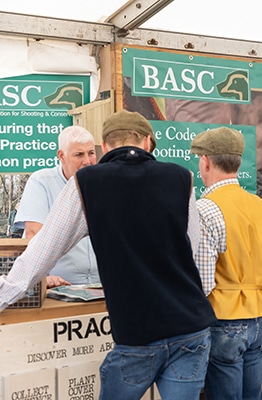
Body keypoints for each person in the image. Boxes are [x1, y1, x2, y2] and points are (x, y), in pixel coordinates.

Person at [0, 110, 217, 399]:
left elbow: (41, 252)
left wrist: (4, 295)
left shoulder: (87, 182)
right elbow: (190, 247)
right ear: (147, 141)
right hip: (191, 325)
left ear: (104, 147)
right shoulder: (181, 177)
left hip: (139, 333)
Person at [191, 126, 262, 400]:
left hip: (224, 318)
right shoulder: (259, 204)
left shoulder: (205, 208)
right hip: (260, 317)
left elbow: (203, 281)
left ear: (205, 161)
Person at [15, 126, 98, 288]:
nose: (87, 161)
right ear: (61, 156)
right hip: (59, 286)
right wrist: (44, 277)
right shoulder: (41, 181)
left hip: (102, 285)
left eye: (91, 153)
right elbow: (33, 233)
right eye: (79, 154)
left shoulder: (103, 181)